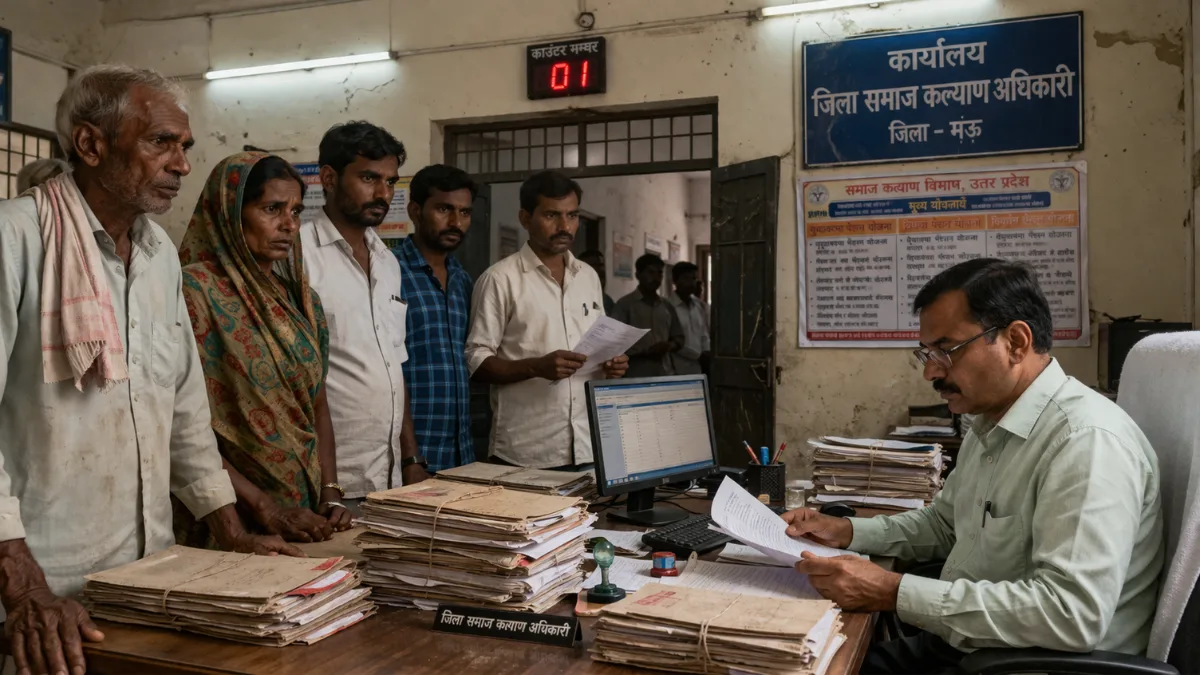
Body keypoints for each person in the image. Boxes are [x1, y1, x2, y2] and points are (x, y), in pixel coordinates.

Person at [0, 65, 297, 675]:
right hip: (43, 586)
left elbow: (182, 411)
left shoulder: (160, 257)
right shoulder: (15, 240)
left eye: (184, 146)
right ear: (91, 144)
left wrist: (230, 532)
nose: (182, 165)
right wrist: (22, 587)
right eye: (160, 142)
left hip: (148, 573)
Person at [784, 258, 1164, 674]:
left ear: (1016, 342)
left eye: (946, 350)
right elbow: (947, 526)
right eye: (926, 353)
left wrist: (894, 591)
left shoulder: (1085, 442)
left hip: (1032, 664)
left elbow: (1070, 615)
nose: (931, 371)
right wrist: (848, 531)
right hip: (975, 649)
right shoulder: (992, 422)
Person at [177, 151, 354, 546]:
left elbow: (317, 403)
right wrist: (263, 507)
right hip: (227, 512)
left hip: (305, 512)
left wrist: (329, 490)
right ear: (230, 213)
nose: (288, 225)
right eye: (271, 209)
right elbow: (179, 424)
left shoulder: (301, 302)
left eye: (295, 211)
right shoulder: (193, 292)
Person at [299, 121, 428, 510]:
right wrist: (328, 481)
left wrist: (410, 458)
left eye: (390, 181)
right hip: (330, 481)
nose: (383, 193)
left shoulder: (388, 262)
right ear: (328, 178)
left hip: (389, 475)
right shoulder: (297, 254)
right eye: (369, 178)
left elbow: (394, 363)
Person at [466, 170, 628, 469]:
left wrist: (612, 364)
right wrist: (535, 367)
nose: (565, 226)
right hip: (528, 450)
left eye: (572, 215)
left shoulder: (588, 276)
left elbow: (599, 343)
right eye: (552, 215)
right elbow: (475, 362)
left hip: (589, 445)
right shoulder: (500, 279)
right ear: (526, 219)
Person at [396, 164, 478, 472]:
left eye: (465, 212)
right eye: (444, 209)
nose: (456, 222)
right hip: (409, 455)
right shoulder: (387, 274)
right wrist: (410, 456)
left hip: (461, 455)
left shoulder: (463, 280)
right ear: (415, 211)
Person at [612, 253, 684, 379]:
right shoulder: (625, 305)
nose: (656, 278)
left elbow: (679, 338)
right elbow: (614, 343)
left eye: (659, 273)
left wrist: (668, 346)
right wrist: (645, 352)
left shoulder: (667, 305)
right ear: (638, 275)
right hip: (635, 374)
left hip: (665, 372)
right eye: (650, 272)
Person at [667, 261, 711, 375]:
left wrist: (707, 352)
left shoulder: (699, 305)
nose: (692, 283)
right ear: (675, 281)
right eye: (686, 278)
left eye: (694, 278)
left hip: (701, 368)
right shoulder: (667, 307)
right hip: (677, 369)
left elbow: (704, 333)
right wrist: (697, 355)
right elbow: (670, 342)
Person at [578, 249, 614, 314]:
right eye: (595, 265)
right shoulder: (574, 298)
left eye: (601, 265)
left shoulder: (607, 301)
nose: (601, 269)